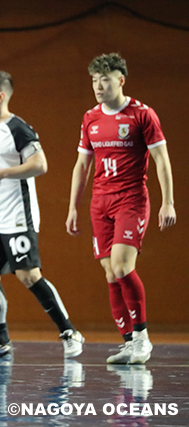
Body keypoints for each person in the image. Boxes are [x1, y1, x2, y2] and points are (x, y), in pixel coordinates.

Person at [0, 70, 84, 359]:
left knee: (29, 275)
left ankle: (69, 332)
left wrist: (4, 173)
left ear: (0, 96)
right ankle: (0, 341)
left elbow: (40, 165)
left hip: (17, 216)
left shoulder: (18, 128)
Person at [66, 53, 176, 364]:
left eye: (105, 80)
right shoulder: (90, 118)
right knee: (110, 273)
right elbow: (82, 165)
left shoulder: (142, 114)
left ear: (121, 80)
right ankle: (128, 342)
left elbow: (162, 160)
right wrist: (73, 207)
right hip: (100, 202)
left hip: (131, 199)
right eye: (94, 81)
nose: (98, 86)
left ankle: (142, 339)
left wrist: (168, 201)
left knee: (122, 266)